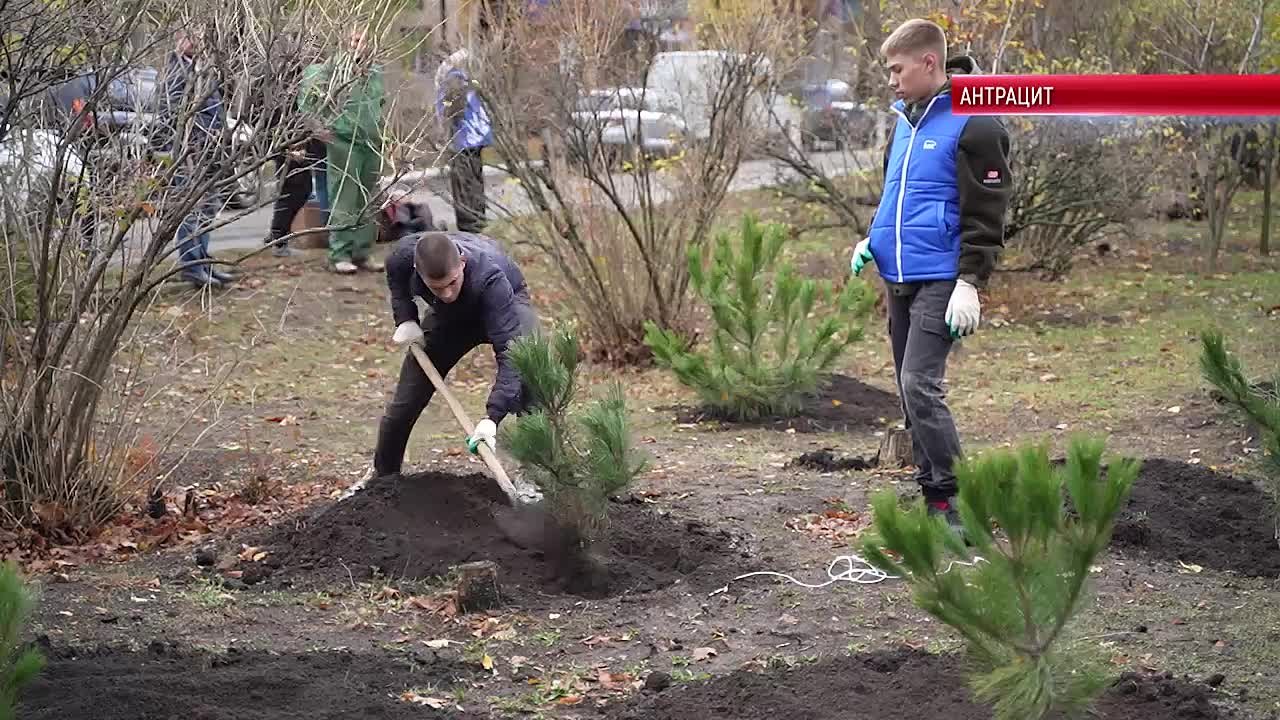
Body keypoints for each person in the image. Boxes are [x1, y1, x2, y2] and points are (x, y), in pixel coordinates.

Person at [850, 18, 1012, 532]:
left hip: (943, 275)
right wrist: (871, 240)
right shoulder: (904, 121)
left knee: (921, 383)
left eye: (898, 70)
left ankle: (953, 502)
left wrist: (970, 283)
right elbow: (897, 197)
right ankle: (932, 497)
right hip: (899, 273)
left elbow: (988, 211)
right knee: (907, 389)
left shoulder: (977, 123)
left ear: (928, 63)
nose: (892, 81)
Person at [372, 231, 536, 479]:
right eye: (437, 288)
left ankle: (534, 476)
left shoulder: (490, 279)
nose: (447, 293)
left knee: (531, 381)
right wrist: (406, 318)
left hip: (507, 303)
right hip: (450, 319)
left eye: (452, 283)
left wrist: (492, 418)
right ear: (418, 270)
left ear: (462, 262)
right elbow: (396, 278)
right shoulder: (403, 256)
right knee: (407, 399)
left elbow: (510, 351)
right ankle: (383, 478)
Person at [299, 27, 385, 274]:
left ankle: (363, 252)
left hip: (370, 142)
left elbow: (380, 103)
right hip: (344, 140)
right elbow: (307, 102)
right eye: (355, 39)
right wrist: (320, 129)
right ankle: (340, 254)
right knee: (344, 199)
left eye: (363, 40)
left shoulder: (374, 71)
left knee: (368, 199)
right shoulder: (330, 70)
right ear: (344, 41)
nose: (359, 45)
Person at [158, 27, 237, 289]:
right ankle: (191, 266)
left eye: (198, 37)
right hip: (190, 150)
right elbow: (174, 112)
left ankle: (202, 260)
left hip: (210, 149)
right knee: (191, 208)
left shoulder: (203, 68)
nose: (195, 42)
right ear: (178, 40)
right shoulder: (175, 71)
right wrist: (194, 142)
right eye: (189, 37)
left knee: (208, 208)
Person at [435, 48, 492, 233]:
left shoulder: (453, 80)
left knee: (464, 183)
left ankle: (469, 223)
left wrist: (445, 129)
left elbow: (452, 111)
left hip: (463, 139)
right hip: (477, 137)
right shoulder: (468, 80)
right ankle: (478, 218)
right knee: (475, 180)